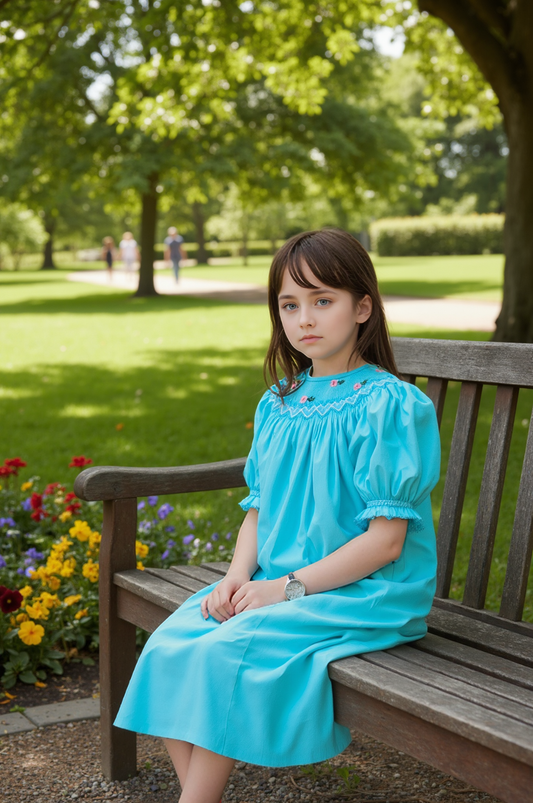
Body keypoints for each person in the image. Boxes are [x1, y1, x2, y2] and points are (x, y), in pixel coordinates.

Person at [115, 228, 441, 803]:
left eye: (323, 301)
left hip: (364, 591)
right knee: (169, 646)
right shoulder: (280, 402)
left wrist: (284, 590)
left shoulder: (388, 405)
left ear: (362, 307)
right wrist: (238, 577)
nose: (305, 318)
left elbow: (387, 543)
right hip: (278, 582)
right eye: (290, 305)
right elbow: (258, 511)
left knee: (220, 654)